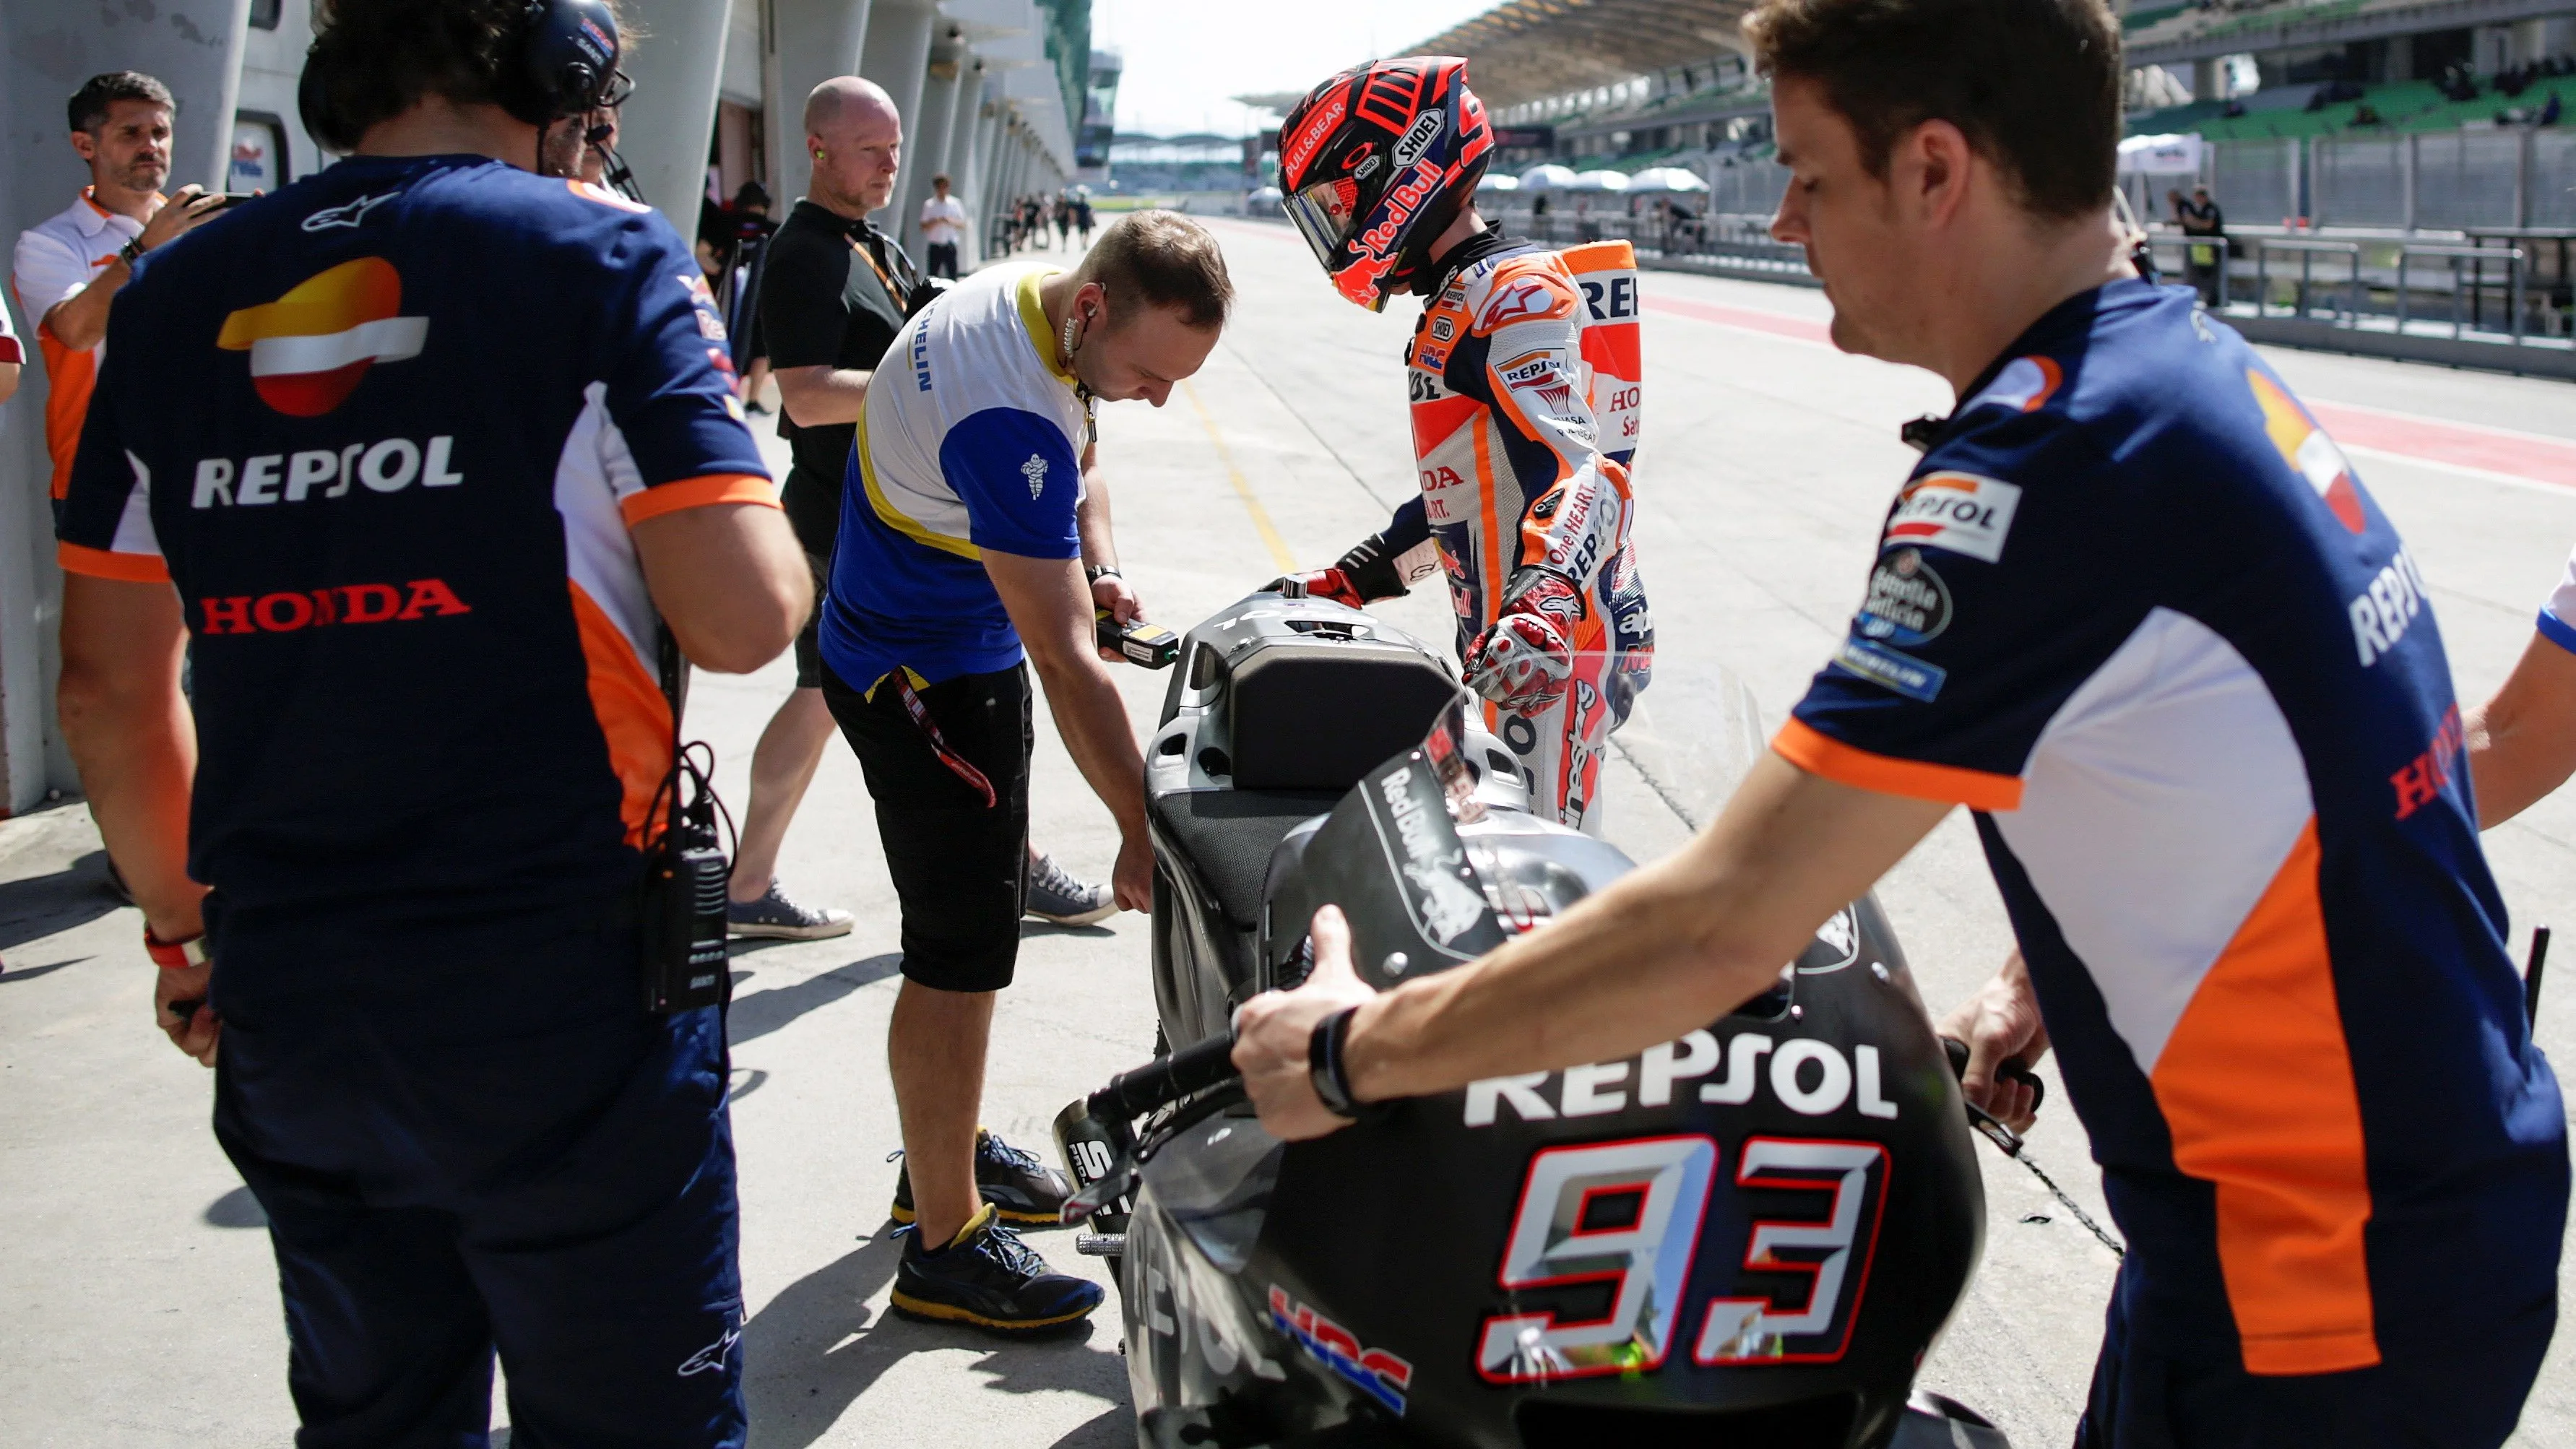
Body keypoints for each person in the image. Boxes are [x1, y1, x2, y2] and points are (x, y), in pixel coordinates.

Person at [1235, 4, 2567, 1447]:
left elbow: (1720, 927)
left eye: (1809, 173)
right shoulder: (2179, 376)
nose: (1785, 216)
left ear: (1935, 173)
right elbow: (2253, 777)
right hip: (2367, 1216)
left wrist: (1347, 1054)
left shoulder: (2041, 476)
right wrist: (2036, 981)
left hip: (2318, 1285)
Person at [53, 0, 811, 1441]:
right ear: (552, 70)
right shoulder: (600, 258)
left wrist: (179, 932)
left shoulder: (161, 301)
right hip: (563, 988)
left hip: (292, 987)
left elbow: (102, 688)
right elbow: (747, 617)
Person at [819, 210, 1227, 1331]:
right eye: (1150, 372)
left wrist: (1094, 563)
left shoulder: (1033, 298)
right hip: (927, 682)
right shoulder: (1009, 412)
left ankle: (936, 1162)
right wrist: (1142, 828)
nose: (1154, 398)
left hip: (928, 642)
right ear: (1097, 308)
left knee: (973, 933)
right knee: (958, 954)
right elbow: (1067, 660)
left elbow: (1079, 444)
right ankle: (942, 1244)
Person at [1272, 58, 1652, 834]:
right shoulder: (1460, 297)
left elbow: (1584, 473)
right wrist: (1360, 575)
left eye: (1337, 203)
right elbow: (1469, 492)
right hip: (1510, 644)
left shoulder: (1512, 294)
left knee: (1544, 885)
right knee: (1495, 863)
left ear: (1401, 168)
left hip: (1553, 647)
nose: (1338, 227)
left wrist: (1542, 602)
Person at [13, 72, 223, 516]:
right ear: (84, 146)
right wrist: (145, 248)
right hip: (103, 482)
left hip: (207, 474)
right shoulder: (48, 243)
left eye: (160, 132)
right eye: (131, 132)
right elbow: (76, 332)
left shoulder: (210, 231)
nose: (151, 146)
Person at [2178, 183, 2226, 306]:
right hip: (2202, 248)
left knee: (2212, 274)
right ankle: (2204, 297)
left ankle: (2215, 298)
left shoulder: (2210, 209)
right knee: (2201, 273)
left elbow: (2208, 224)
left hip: (2212, 247)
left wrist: (2193, 222)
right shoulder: (2200, 209)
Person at [920, 173, 967, 280]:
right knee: (933, 276)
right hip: (935, 245)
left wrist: (950, 221)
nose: (942, 190)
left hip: (949, 245)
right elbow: (923, 226)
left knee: (952, 274)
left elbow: (963, 224)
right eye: (939, 187)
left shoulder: (955, 203)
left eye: (945, 186)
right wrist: (936, 221)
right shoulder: (929, 204)